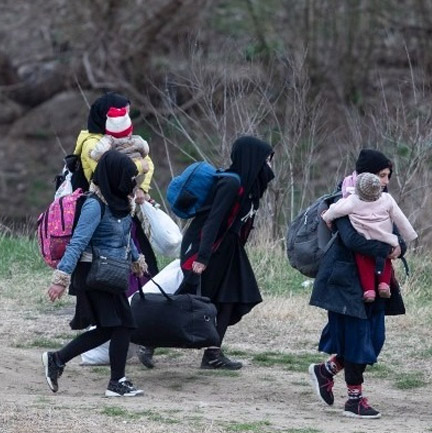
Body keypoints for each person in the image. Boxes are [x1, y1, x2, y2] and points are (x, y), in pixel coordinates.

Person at [307, 149, 408, 419]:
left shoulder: (382, 201)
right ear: (367, 176)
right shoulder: (344, 201)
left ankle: (326, 370)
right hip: (346, 282)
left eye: (388, 176)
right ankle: (354, 399)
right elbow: (351, 239)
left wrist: (401, 246)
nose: (386, 181)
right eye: (381, 175)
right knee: (357, 340)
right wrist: (387, 248)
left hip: (376, 280)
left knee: (375, 339)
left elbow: (398, 234)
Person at [42, 150, 147, 397]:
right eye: (128, 177)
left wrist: (137, 260)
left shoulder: (122, 203)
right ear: (114, 177)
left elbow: (125, 237)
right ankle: (116, 382)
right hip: (93, 274)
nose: (132, 183)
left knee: (110, 327)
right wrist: (60, 279)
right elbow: (78, 242)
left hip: (112, 272)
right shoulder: (93, 205)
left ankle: (57, 359)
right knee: (123, 324)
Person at [166, 135, 274, 370]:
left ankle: (213, 353)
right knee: (192, 300)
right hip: (206, 247)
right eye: (267, 160)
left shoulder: (250, 188)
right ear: (253, 159)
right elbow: (212, 222)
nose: (269, 166)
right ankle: (150, 339)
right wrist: (202, 258)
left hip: (228, 249)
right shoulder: (231, 183)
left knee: (230, 298)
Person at [71, 92, 160, 368]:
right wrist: (139, 165)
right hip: (104, 223)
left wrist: (142, 189)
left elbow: (146, 165)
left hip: (124, 215)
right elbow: (112, 170)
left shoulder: (121, 140)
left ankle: (133, 342)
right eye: (119, 114)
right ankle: (106, 355)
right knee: (112, 289)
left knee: (142, 274)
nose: (125, 119)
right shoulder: (92, 143)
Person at [322, 172, 418, 302]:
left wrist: (326, 217)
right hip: (386, 238)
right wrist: (410, 235)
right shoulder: (387, 198)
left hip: (365, 237)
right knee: (386, 260)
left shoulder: (353, 201)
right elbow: (400, 218)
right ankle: (384, 284)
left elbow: (336, 210)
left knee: (364, 263)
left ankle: (369, 291)